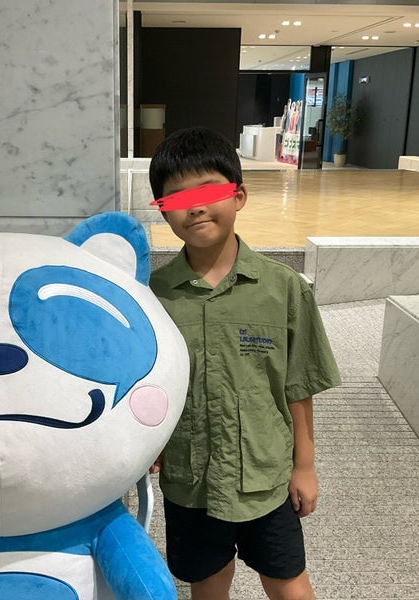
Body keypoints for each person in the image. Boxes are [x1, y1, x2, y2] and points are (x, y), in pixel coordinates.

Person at [148, 127, 341, 600]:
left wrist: (304, 467)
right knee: (208, 582)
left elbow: (298, 385)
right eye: (177, 199)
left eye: (207, 192)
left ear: (238, 196)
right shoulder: (154, 296)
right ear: (164, 213)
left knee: (289, 582)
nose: (195, 208)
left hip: (264, 475)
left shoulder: (283, 288)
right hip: (190, 479)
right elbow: (149, 383)